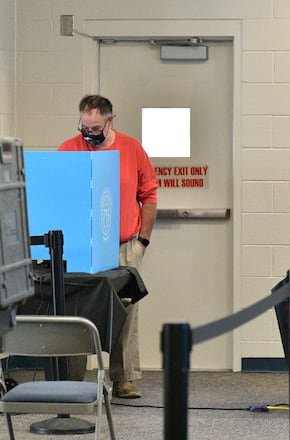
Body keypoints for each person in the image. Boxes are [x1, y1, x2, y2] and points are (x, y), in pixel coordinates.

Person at [59, 94, 159, 399]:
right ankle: (73, 380)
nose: (89, 134)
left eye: (96, 128)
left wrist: (143, 241)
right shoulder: (68, 149)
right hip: (80, 248)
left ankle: (124, 378)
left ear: (110, 121)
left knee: (126, 312)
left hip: (124, 245)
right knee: (76, 311)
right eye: (84, 127)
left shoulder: (131, 148)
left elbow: (150, 196)